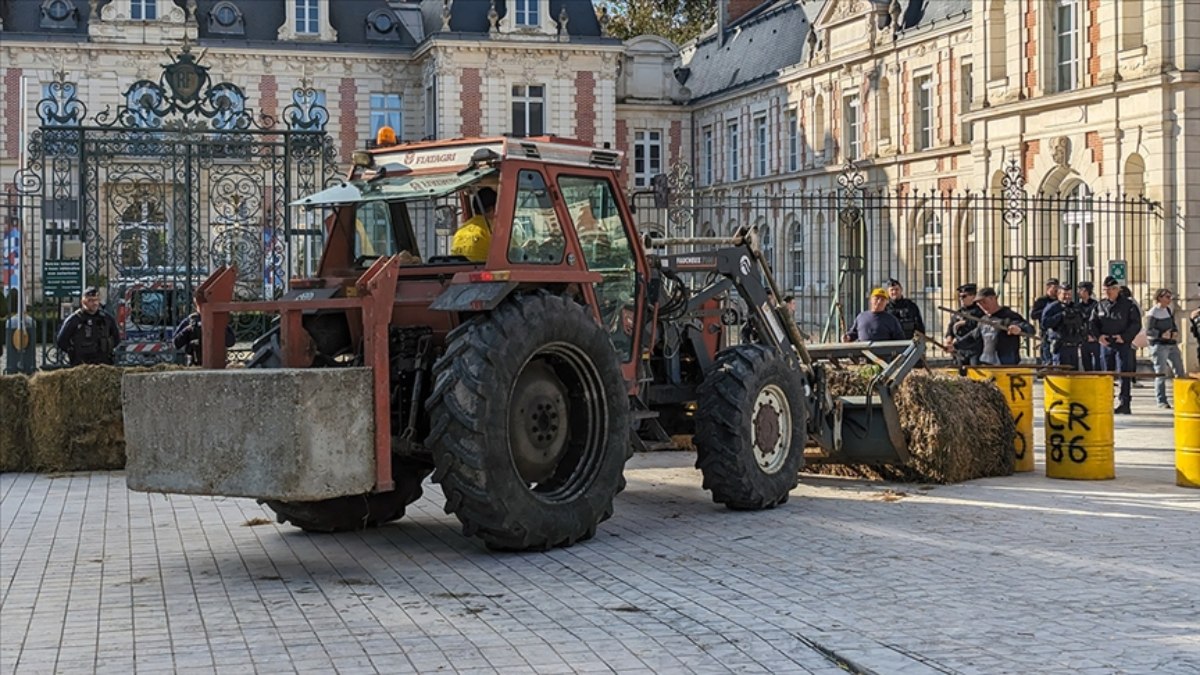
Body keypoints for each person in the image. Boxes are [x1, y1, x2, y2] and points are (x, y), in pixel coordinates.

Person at [1091, 276, 1141, 415]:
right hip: (1106, 344)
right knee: (1107, 375)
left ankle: (1125, 403)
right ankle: (1107, 402)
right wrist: (1099, 337)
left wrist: (1124, 337)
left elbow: (1136, 324)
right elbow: (1092, 323)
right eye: (1105, 290)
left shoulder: (1128, 305)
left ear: (1117, 289)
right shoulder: (1100, 305)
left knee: (1124, 374)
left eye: (1111, 290)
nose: (1108, 293)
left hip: (1122, 344)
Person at [967, 287, 1033, 365]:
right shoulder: (983, 320)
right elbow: (973, 336)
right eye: (979, 304)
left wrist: (1019, 329)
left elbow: (1030, 329)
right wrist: (954, 345)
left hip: (1005, 365)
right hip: (985, 364)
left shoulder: (1009, 316)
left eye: (984, 302)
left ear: (993, 298)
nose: (982, 306)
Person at [55, 286, 120, 366]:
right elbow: (62, 341)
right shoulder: (74, 319)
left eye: (96, 300)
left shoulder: (106, 318)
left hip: (103, 365)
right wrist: (74, 352)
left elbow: (116, 339)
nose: (94, 303)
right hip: (81, 365)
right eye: (90, 300)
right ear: (83, 302)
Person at [1145, 288, 1187, 409]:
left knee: (1179, 371)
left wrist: (1174, 332)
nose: (1169, 299)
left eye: (1170, 297)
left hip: (1171, 344)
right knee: (1161, 373)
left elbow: (1172, 325)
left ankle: (1181, 397)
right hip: (1159, 345)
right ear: (1159, 298)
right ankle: (1161, 400)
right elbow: (1148, 330)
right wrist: (1161, 334)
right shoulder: (1153, 313)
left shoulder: (1168, 310)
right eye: (1167, 297)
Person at [173, 299, 237, 366]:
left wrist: (218, 327)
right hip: (194, 364)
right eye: (200, 304)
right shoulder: (190, 320)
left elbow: (230, 342)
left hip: (216, 364)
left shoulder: (218, 319)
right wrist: (188, 329)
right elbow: (176, 343)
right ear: (196, 305)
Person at [1041, 283, 1086, 370]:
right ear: (1058, 294)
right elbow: (1044, 323)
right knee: (1061, 374)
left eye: (1069, 294)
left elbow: (1083, 323)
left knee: (1073, 375)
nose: (1067, 297)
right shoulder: (1053, 307)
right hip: (1060, 346)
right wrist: (1060, 316)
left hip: (1073, 346)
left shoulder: (1075, 307)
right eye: (1064, 294)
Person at [450, 186, 497, 262]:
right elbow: (514, 253)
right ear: (494, 208)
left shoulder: (459, 231)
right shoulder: (494, 230)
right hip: (484, 271)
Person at [947, 283, 985, 366]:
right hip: (960, 350)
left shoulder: (979, 312)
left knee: (975, 373)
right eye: (960, 297)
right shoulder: (959, 312)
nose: (961, 299)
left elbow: (980, 325)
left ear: (973, 296)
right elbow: (951, 327)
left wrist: (966, 322)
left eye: (964, 296)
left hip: (974, 349)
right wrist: (949, 338)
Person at [1030, 278, 1060, 365]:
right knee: (1046, 351)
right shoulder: (1041, 301)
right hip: (1045, 330)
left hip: (1057, 331)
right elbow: (1033, 315)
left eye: (1056, 288)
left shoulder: (1059, 300)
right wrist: (1046, 311)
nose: (1055, 290)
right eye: (1052, 287)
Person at [1076, 280, 1101, 371]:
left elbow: (1098, 321)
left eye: (1080, 289)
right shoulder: (1078, 306)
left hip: (1095, 338)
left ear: (1086, 291)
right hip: (1083, 339)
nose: (1078, 292)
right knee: (1086, 363)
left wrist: (1094, 335)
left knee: (1098, 363)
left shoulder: (1096, 305)